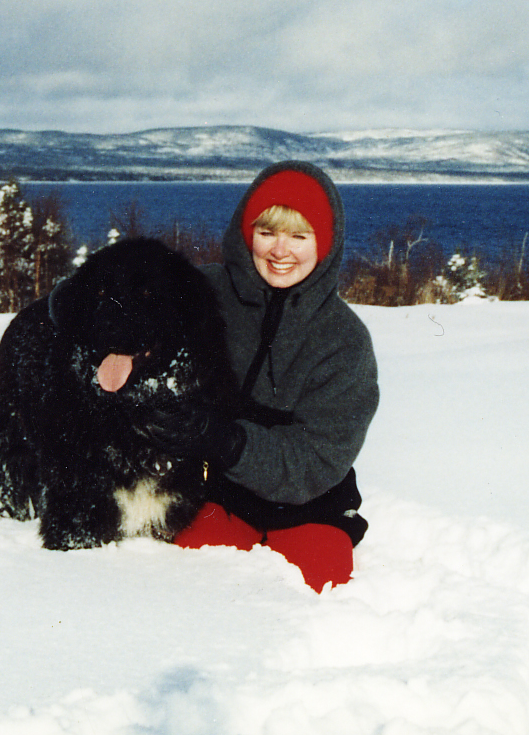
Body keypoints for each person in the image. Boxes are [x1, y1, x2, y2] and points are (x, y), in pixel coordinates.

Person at [142, 161, 379, 592]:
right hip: (221, 496)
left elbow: (318, 459)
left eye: (299, 236)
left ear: (324, 245)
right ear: (245, 232)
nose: (280, 250)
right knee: (185, 575)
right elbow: (129, 298)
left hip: (311, 505)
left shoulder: (345, 341)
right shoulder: (206, 292)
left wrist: (228, 441)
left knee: (317, 587)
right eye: (267, 232)